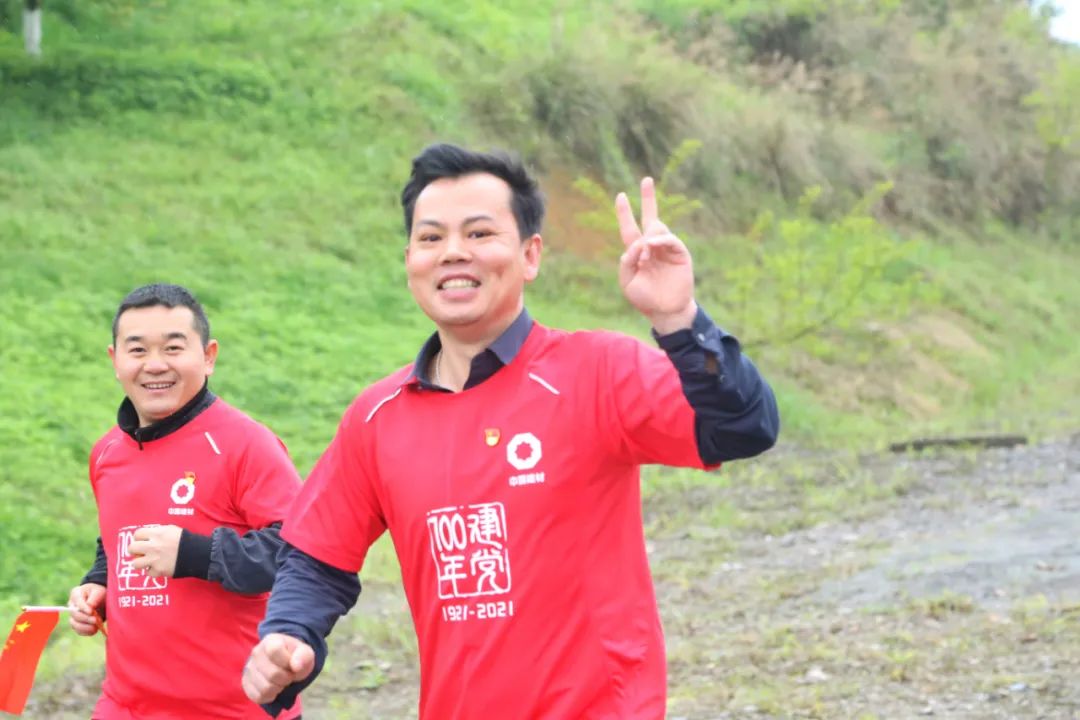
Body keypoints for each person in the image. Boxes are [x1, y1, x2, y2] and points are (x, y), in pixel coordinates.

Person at [243, 144, 780, 719]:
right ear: (410, 260)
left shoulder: (596, 373)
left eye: (479, 233)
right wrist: (289, 634)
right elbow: (316, 555)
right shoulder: (378, 417)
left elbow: (744, 426)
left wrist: (679, 320)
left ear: (530, 255)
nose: (453, 252)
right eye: (431, 238)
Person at [68, 283, 303, 719]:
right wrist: (99, 582)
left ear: (208, 356)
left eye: (173, 348)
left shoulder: (246, 445)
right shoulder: (106, 454)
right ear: (115, 360)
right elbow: (115, 538)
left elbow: (300, 554)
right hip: (125, 705)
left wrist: (195, 554)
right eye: (137, 350)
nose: (155, 364)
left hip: (234, 708)